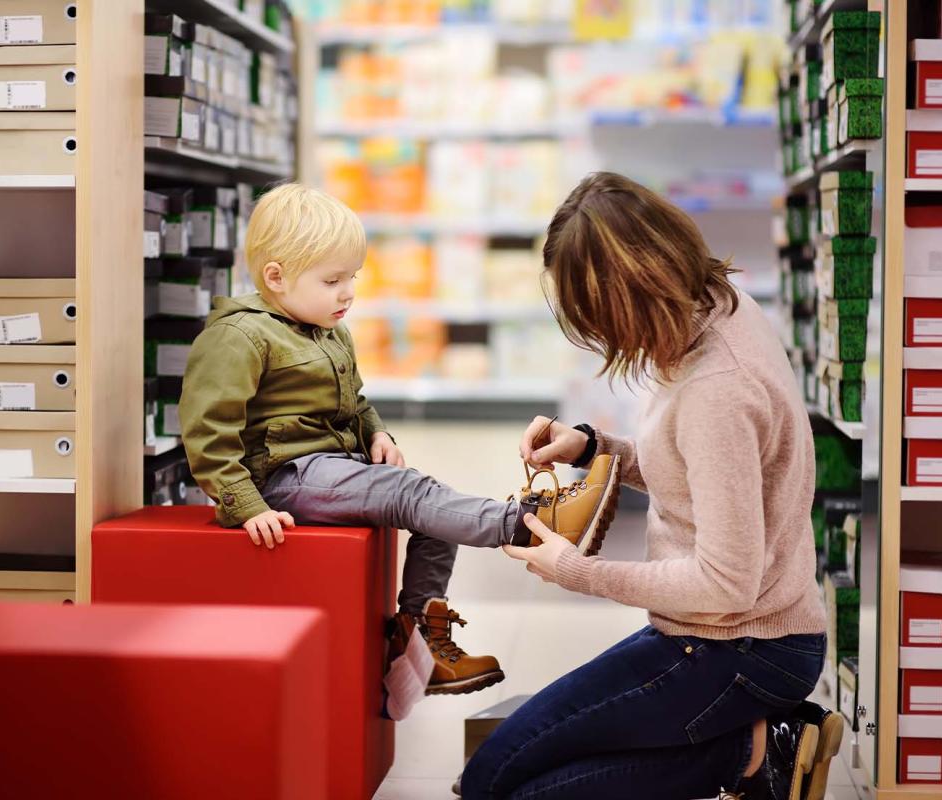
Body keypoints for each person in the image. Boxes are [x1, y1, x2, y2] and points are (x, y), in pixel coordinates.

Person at [459, 172, 843, 800]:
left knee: (500, 786)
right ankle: (748, 745)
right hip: (718, 632)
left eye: (599, 315)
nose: (602, 335)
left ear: (635, 292)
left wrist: (576, 571)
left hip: (741, 649)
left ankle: (756, 756)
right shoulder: (718, 306)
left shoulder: (717, 389)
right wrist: (594, 448)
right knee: (494, 772)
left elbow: (726, 583)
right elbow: (700, 473)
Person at [179, 183, 623, 699]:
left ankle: (420, 639)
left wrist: (377, 433)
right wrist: (246, 505)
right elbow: (208, 431)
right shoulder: (240, 336)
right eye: (332, 280)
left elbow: (355, 401)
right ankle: (528, 523)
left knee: (432, 511)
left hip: (330, 468)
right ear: (276, 277)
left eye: (353, 278)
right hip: (282, 479)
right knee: (410, 494)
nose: (348, 293)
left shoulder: (328, 330)